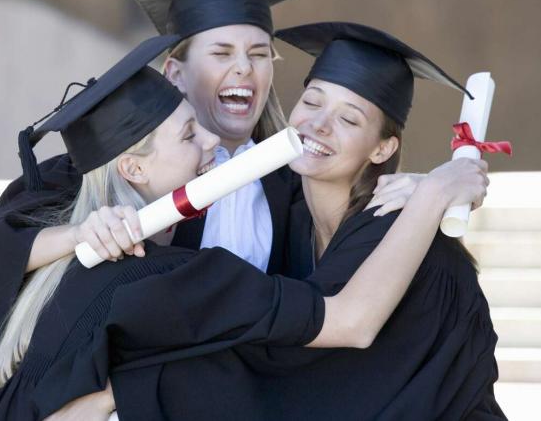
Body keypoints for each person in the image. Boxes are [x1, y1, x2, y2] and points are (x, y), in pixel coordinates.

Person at [37, 23, 503, 420]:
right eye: (314, 101)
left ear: (382, 149)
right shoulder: (294, 218)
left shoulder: (393, 227)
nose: (319, 125)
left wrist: (130, 389)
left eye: (349, 119)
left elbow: (297, 370)